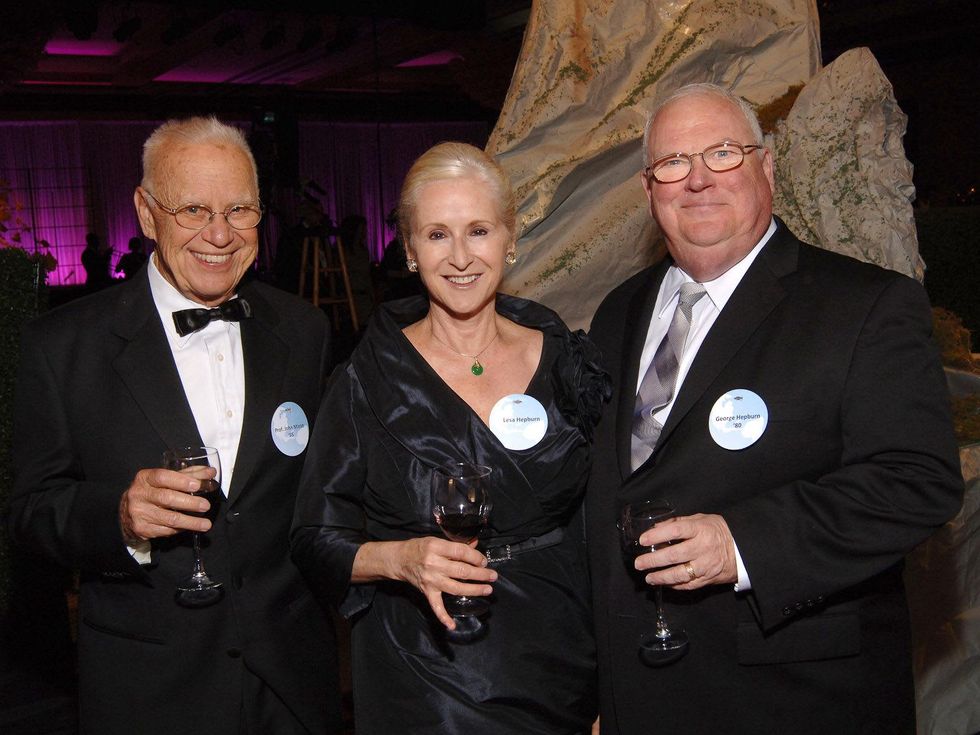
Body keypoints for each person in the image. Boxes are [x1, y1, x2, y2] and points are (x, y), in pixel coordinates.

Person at [586, 83, 963, 734]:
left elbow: (917, 480)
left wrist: (741, 543)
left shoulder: (865, 306)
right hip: (638, 689)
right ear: (650, 192)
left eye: (723, 153)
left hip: (794, 698)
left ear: (766, 167)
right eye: (673, 164)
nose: (698, 180)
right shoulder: (618, 312)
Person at [8, 116, 342, 735]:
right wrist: (118, 516)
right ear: (146, 211)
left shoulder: (303, 331)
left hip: (293, 680)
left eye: (240, 209)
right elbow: (29, 510)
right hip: (149, 688)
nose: (220, 234)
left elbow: (319, 494)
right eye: (193, 209)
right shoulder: (63, 346)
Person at [292, 142, 608, 734]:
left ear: (510, 239)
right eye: (437, 235)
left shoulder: (568, 361)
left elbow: (600, 520)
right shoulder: (368, 378)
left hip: (562, 653)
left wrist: (613, 684)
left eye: (479, 230)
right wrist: (400, 559)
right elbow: (314, 538)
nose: (461, 256)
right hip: (428, 670)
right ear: (409, 250)